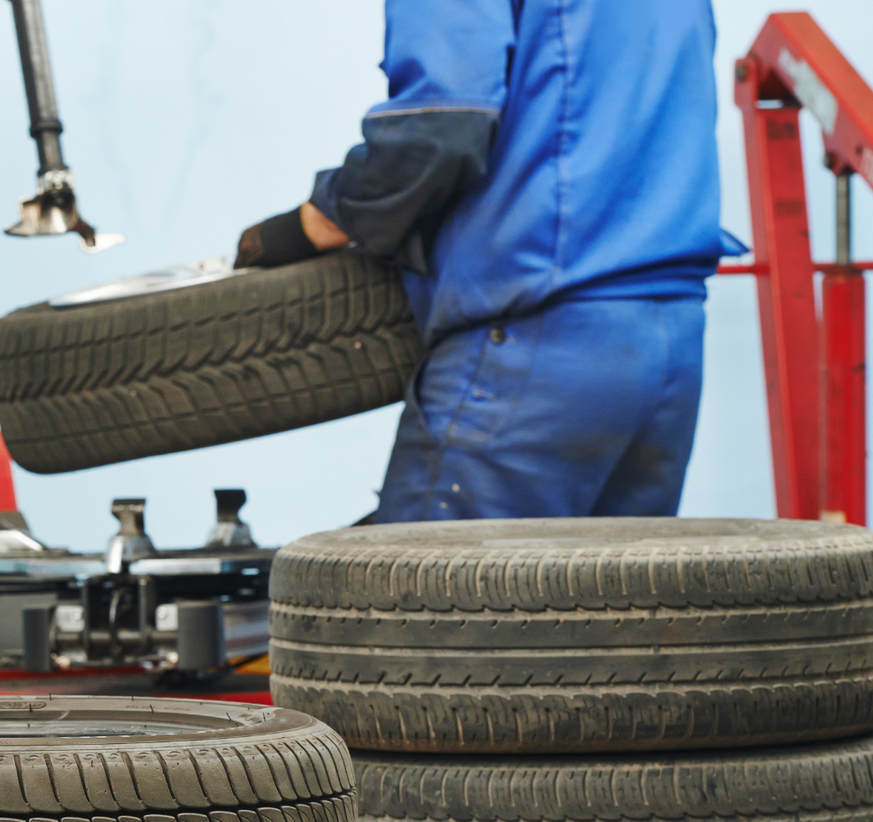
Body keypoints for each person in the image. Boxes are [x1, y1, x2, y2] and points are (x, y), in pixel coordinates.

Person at [234, 0, 735, 522]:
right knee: (613, 598)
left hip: (534, 341)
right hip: (667, 345)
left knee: (420, 595)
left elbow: (442, 120)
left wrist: (326, 217)